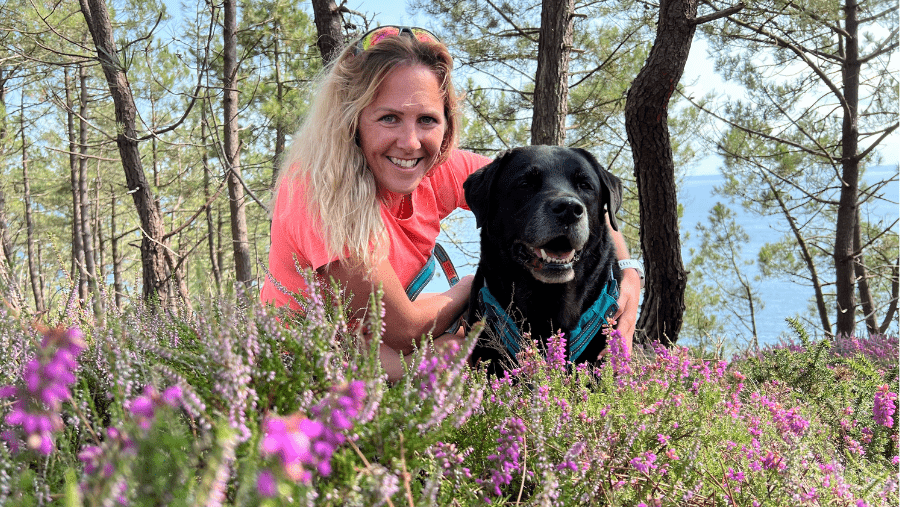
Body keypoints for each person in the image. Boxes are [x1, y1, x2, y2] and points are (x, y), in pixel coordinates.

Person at [260, 26, 642, 382]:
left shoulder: (435, 167)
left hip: (376, 347)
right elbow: (406, 328)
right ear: (351, 121)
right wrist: (470, 286)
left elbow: (567, 199)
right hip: (301, 370)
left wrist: (627, 271)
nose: (410, 142)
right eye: (389, 117)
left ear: (446, 125)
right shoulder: (319, 191)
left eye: (427, 119)